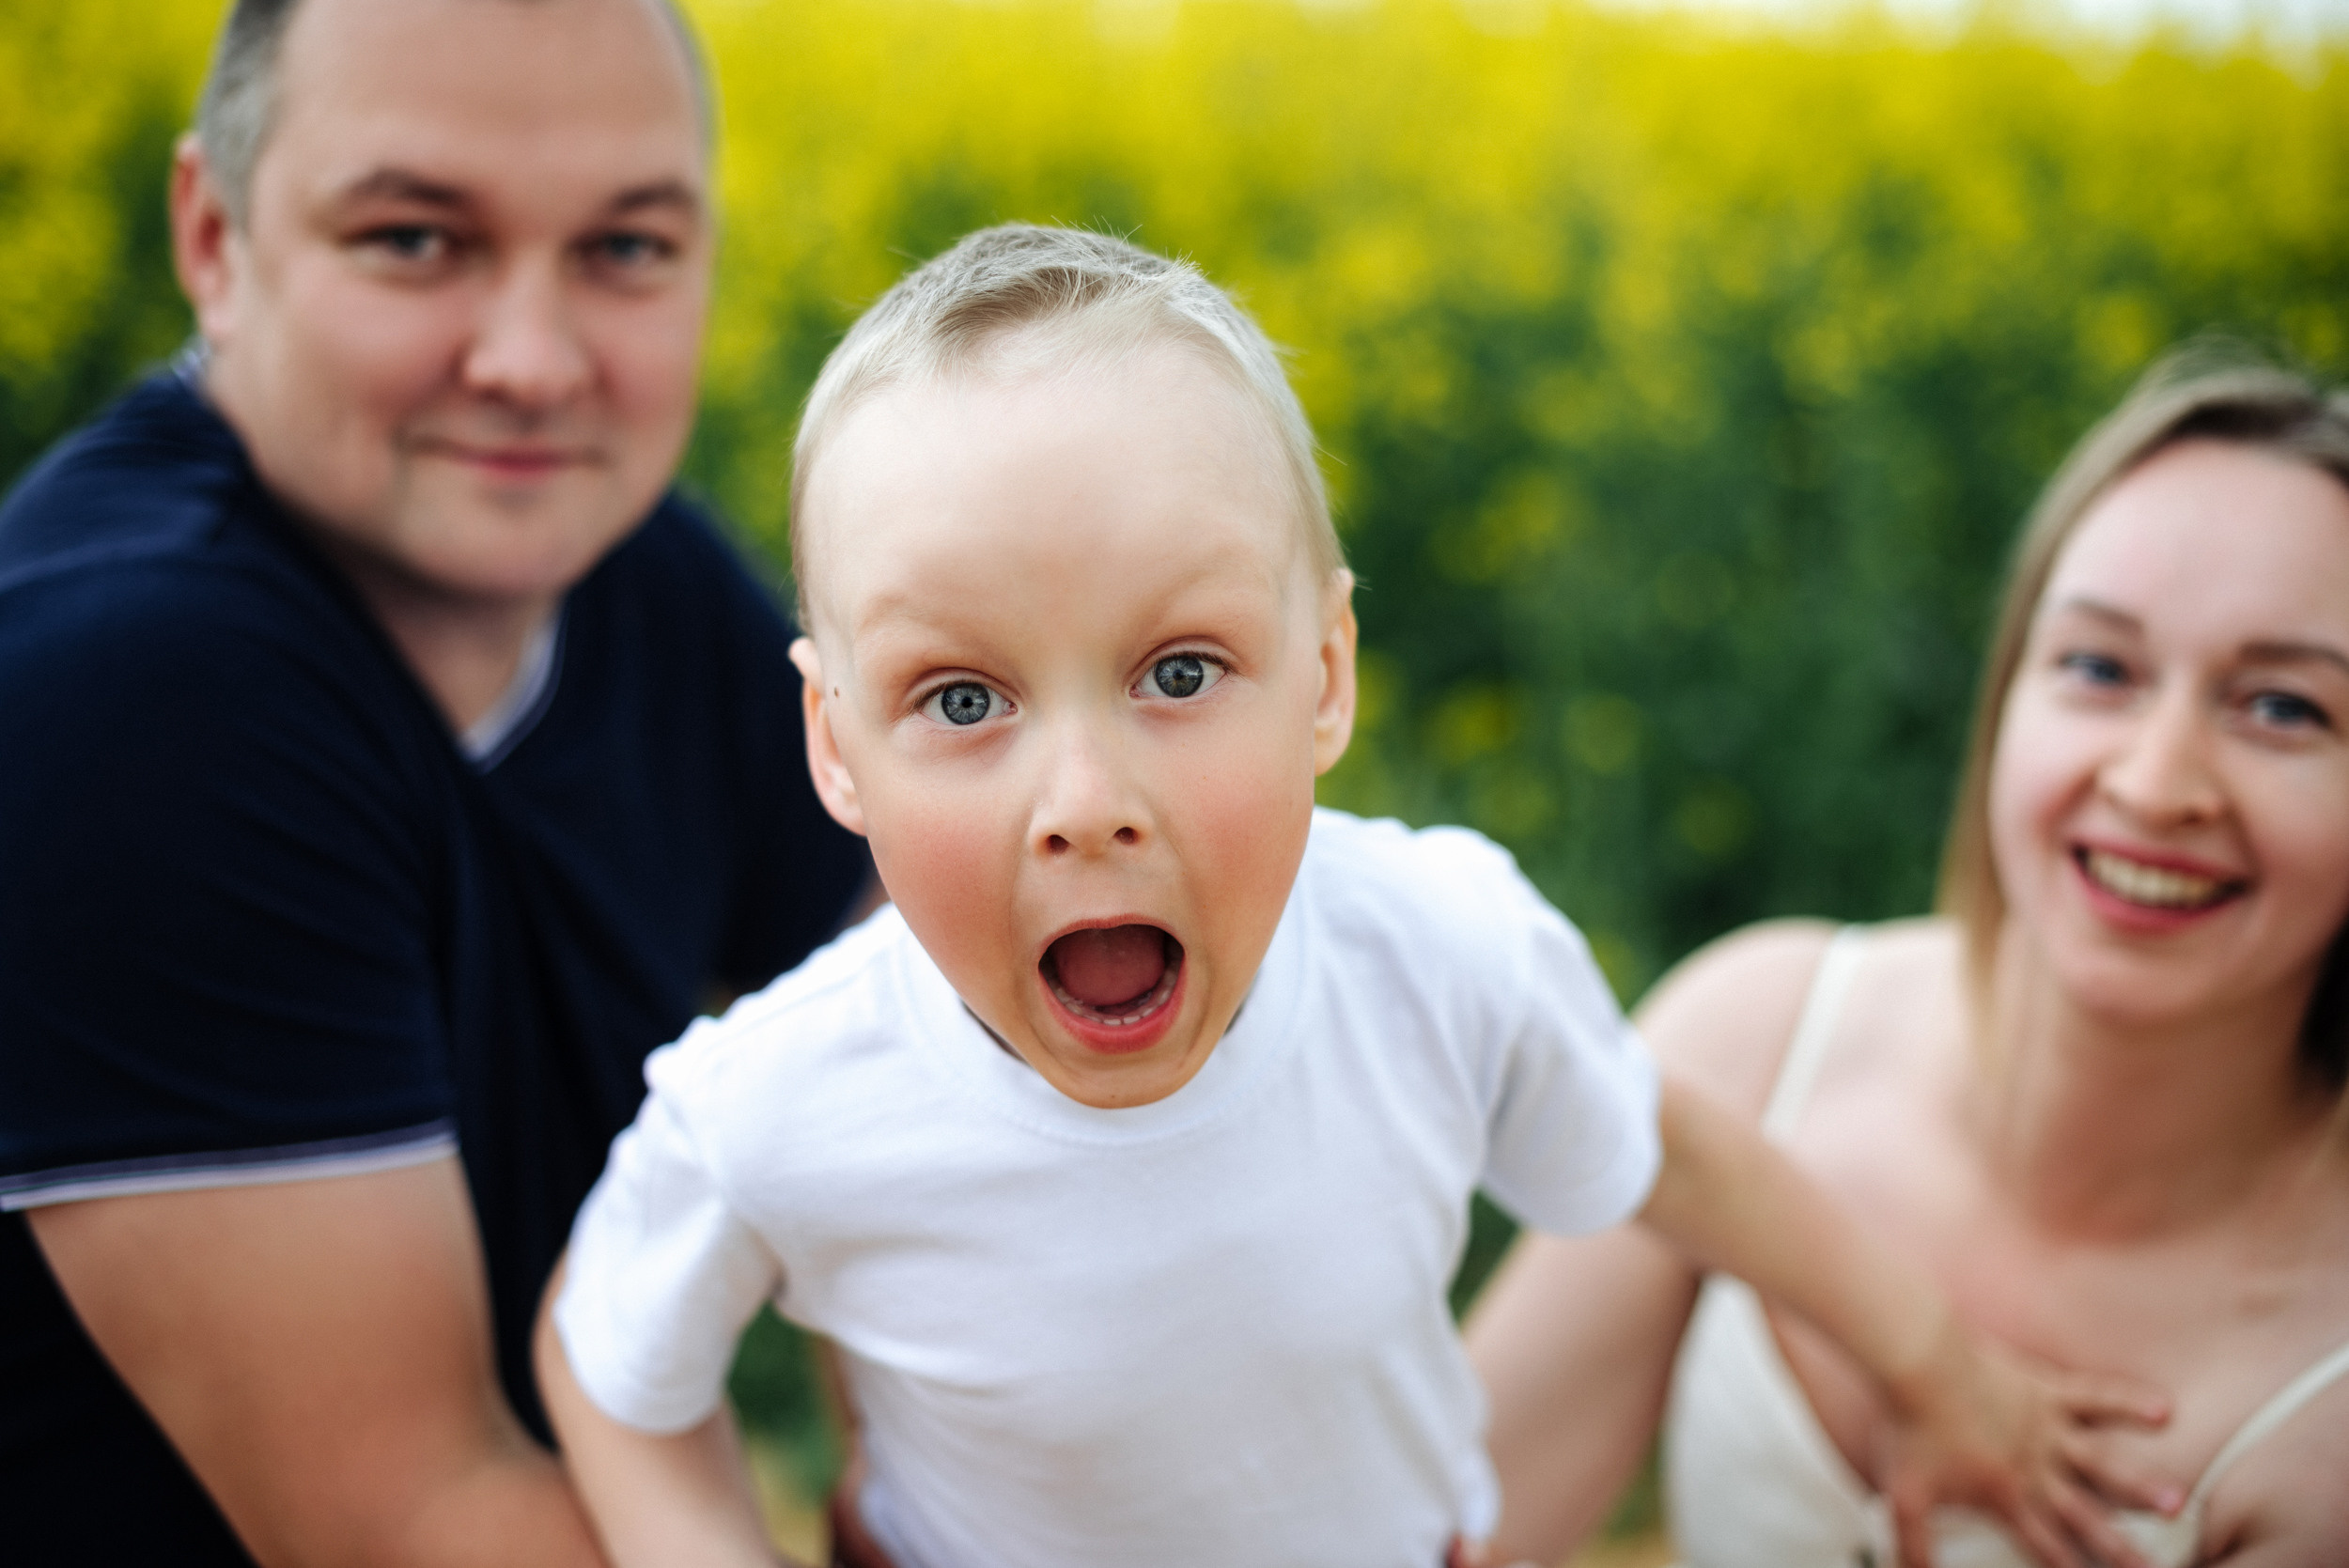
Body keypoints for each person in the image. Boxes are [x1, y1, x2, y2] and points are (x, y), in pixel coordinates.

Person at [530, 224, 2168, 1568]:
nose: (1085, 807)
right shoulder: (778, 1095)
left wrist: (1943, 1368)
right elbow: (607, 1362)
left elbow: (1677, 1152)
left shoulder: (1435, 949)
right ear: (834, 746)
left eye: (1181, 669)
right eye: (962, 701)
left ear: (1324, 676)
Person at [0, 1, 866, 1562]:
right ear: (214, 236)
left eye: (626, 250)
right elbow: (417, 1513)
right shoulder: (128, 685)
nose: (531, 366)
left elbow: (942, 1008)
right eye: (416, 240)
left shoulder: (629, 575)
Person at [1467, 347, 2349, 1566]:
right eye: (2098, 667)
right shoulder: (1753, 1032)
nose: (2154, 783)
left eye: (2284, 707)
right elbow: (1432, 1529)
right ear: (2005, 696)